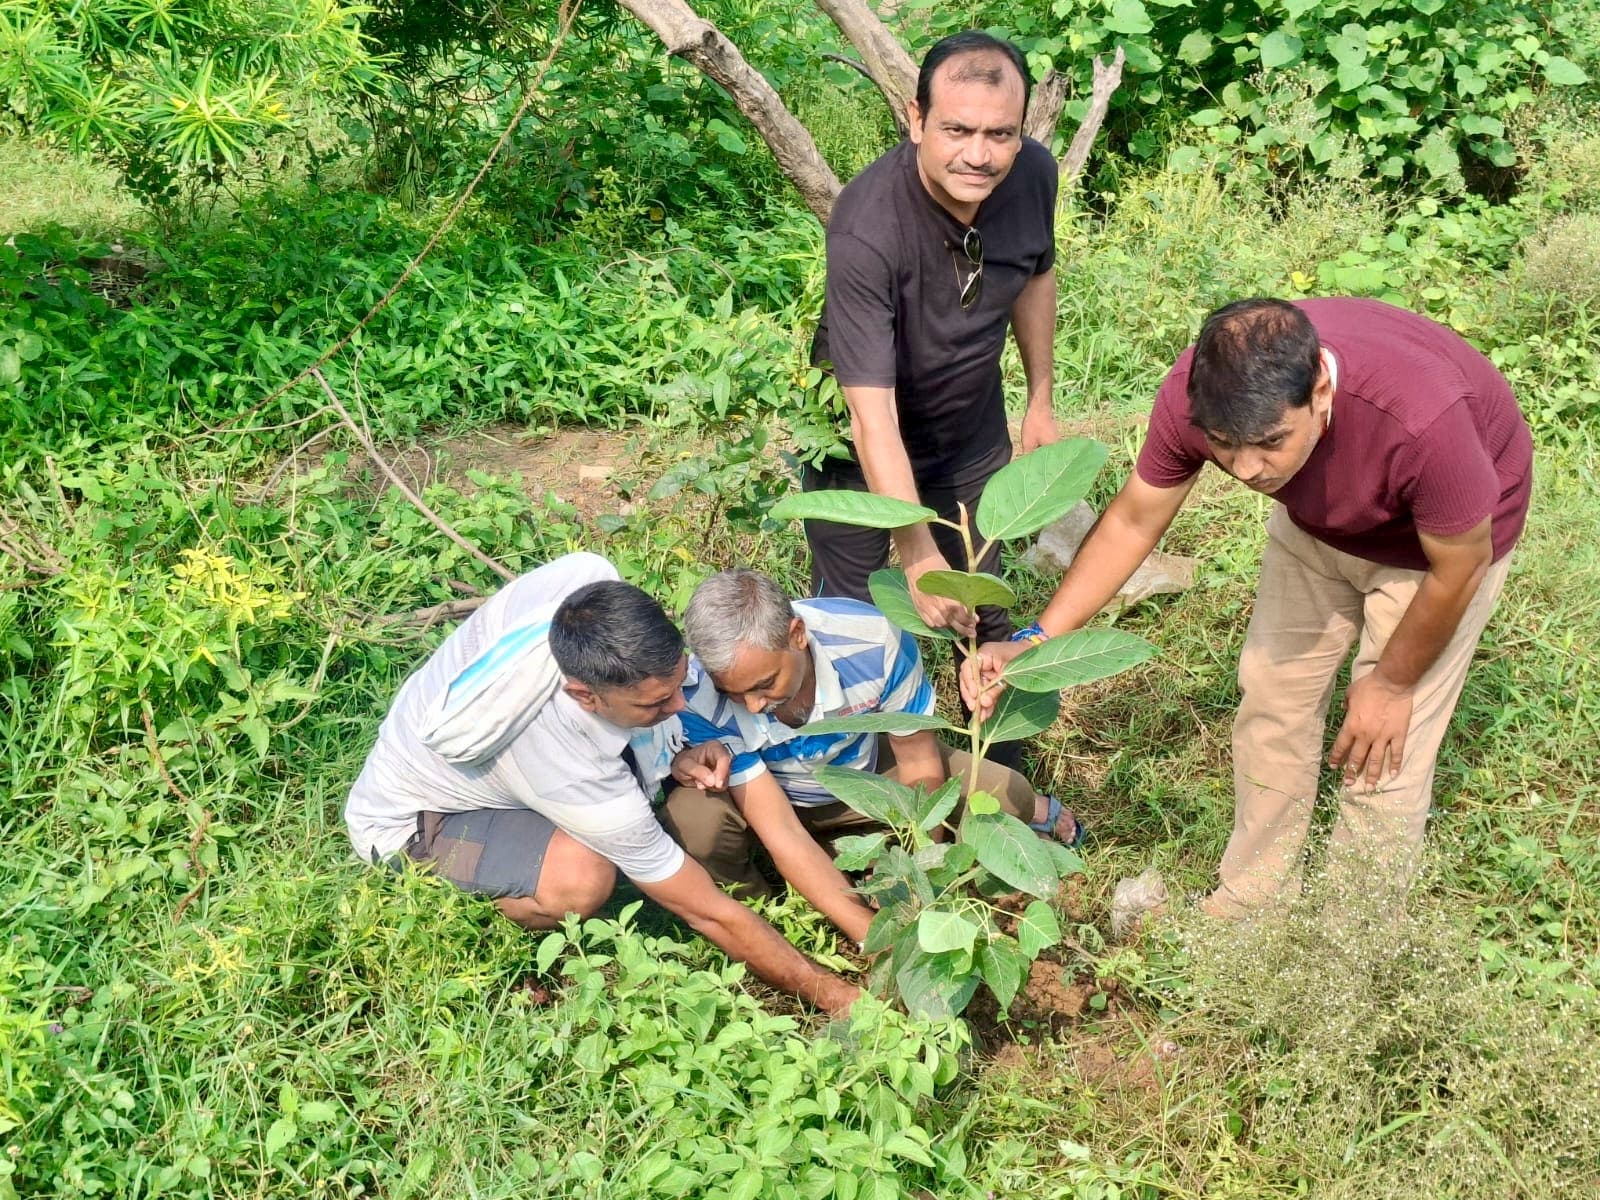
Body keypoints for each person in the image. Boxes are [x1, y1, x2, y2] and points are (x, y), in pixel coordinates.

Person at [966, 297, 1533, 918]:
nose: (1247, 469)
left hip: (1436, 556)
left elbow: (1461, 566)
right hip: (1318, 528)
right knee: (1271, 698)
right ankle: (1253, 901)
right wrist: (1036, 637)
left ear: (1320, 390)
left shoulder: (1422, 419)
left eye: (1270, 442)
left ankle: (1350, 934)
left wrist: (1393, 685)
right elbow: (1132, 521)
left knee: (1383, 745)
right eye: (1225, 446)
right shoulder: (1197, 395)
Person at [343, 553, 859, 1013]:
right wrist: (832, 993)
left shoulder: (586, 582)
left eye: (680, 682)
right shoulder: (560, 760)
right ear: (585, 696)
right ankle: (493, 918)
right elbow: (707, 910)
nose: (679, 706)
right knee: (583, 877)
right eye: (654, 705)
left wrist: (669, 744)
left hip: (497, 769)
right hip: (416, 820)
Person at [805, 30, 1059, 696]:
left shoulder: (1032, 174)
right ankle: (875, 788)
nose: (979, 156)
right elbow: (869, 417)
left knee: (983, 615)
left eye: (1000, 134)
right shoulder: (868, 226)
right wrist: (914, 549)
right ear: (916, 120)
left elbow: (1036, 273)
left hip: (971, 434)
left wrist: (1040, 398)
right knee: (854, 630)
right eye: (956, 130)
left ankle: (998, 782)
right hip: (858, 451)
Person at [670, 569, 1081, 944]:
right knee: (694, 820)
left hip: (869, 776)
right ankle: (765, 914)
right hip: (780, 803)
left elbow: (920, 766)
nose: (753, 706)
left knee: (1012, 797)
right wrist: (875, 938)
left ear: (797, 634)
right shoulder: (700, 696)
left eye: (765, 684)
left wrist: (914, 879)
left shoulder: (872, 640)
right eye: (734, 693)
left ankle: (864, 859)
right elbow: (782, 832)